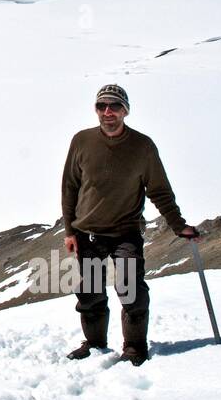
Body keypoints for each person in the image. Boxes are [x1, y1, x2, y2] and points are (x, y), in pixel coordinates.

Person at [60, 83, 199, 365]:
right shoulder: (81, 141)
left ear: (126, 110)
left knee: (131, 288)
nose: (108, 112)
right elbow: (69, 187)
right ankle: (95, 344)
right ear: (96, 110)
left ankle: (135, 347)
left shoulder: (143, 147)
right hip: (87, 233)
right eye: (102, 106)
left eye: (114, 106)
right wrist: (70, 231)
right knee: (89, 292)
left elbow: (159, 191)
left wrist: (178, 225)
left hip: (126, 232)